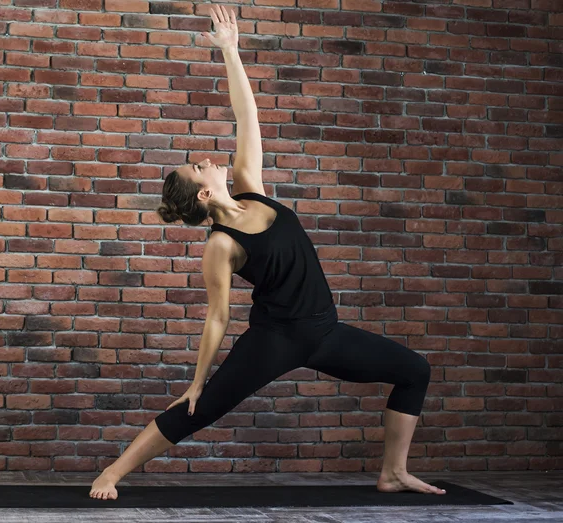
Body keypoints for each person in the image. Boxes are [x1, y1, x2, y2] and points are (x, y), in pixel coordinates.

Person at [90, 4, 446, 500]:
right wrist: (197, 381)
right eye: (200, 168)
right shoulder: (220, 246)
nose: (209, 160)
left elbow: (247, 114)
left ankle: (392, 472)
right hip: (274, 339)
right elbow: (217, 318)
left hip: (325, 331)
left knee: (415, 371)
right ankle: (111, 473)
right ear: (204, 196)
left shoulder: (251, 188)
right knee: (202, 407)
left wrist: (230, 51)